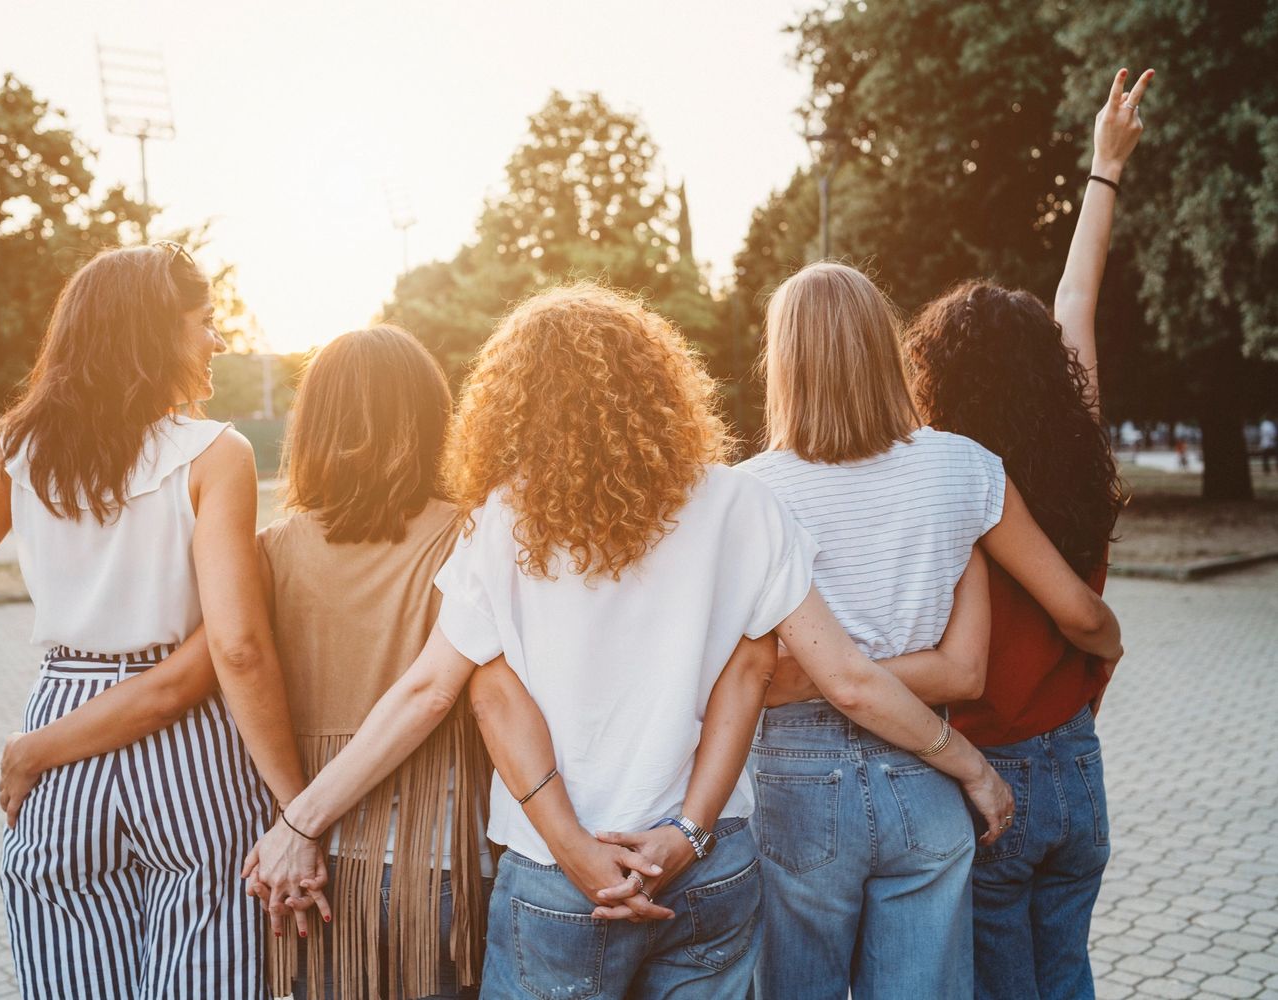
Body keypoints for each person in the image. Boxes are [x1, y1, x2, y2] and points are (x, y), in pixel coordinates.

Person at [243, 284, 1013, 999]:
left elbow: (445, 692)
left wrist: (302, 820)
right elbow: (823, 677)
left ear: (514, 401)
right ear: (659, 381)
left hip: (555, 877)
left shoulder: (499, 521)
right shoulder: (740, 503)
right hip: (707, 867)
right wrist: (967, 769)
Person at [0, 243, 312, 999]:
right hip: (192, 758)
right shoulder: (216, 453)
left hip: (59, 745)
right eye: (203, 323)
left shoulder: (21, 451)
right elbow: (236, 648)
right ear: (152, 333)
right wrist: (296, 806)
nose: (218, 340)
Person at [0, 325, 496, 1000]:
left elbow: (183, 679)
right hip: (439, 867)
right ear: (434, 420)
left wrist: (38, 749)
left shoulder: (268, 555)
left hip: (306, 872)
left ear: (311, 426)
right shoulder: (471, 540)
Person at [739, 261, 1122, 1000]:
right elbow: (963, 672)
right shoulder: (964, 470)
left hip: (796, 785)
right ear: (882, 347)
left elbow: (763, 678)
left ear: (781, 360)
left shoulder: (749, 493)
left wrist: (809, 677)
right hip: (928, 775)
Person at [905, 67, 1152, 1000]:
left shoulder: (951, 478)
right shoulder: (1076, 446)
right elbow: (1076, 296)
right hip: (1077, 764)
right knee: (1069, 973)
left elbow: (1080, 620)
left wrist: (1108, 638)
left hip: (990, 778)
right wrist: (1104, 168)